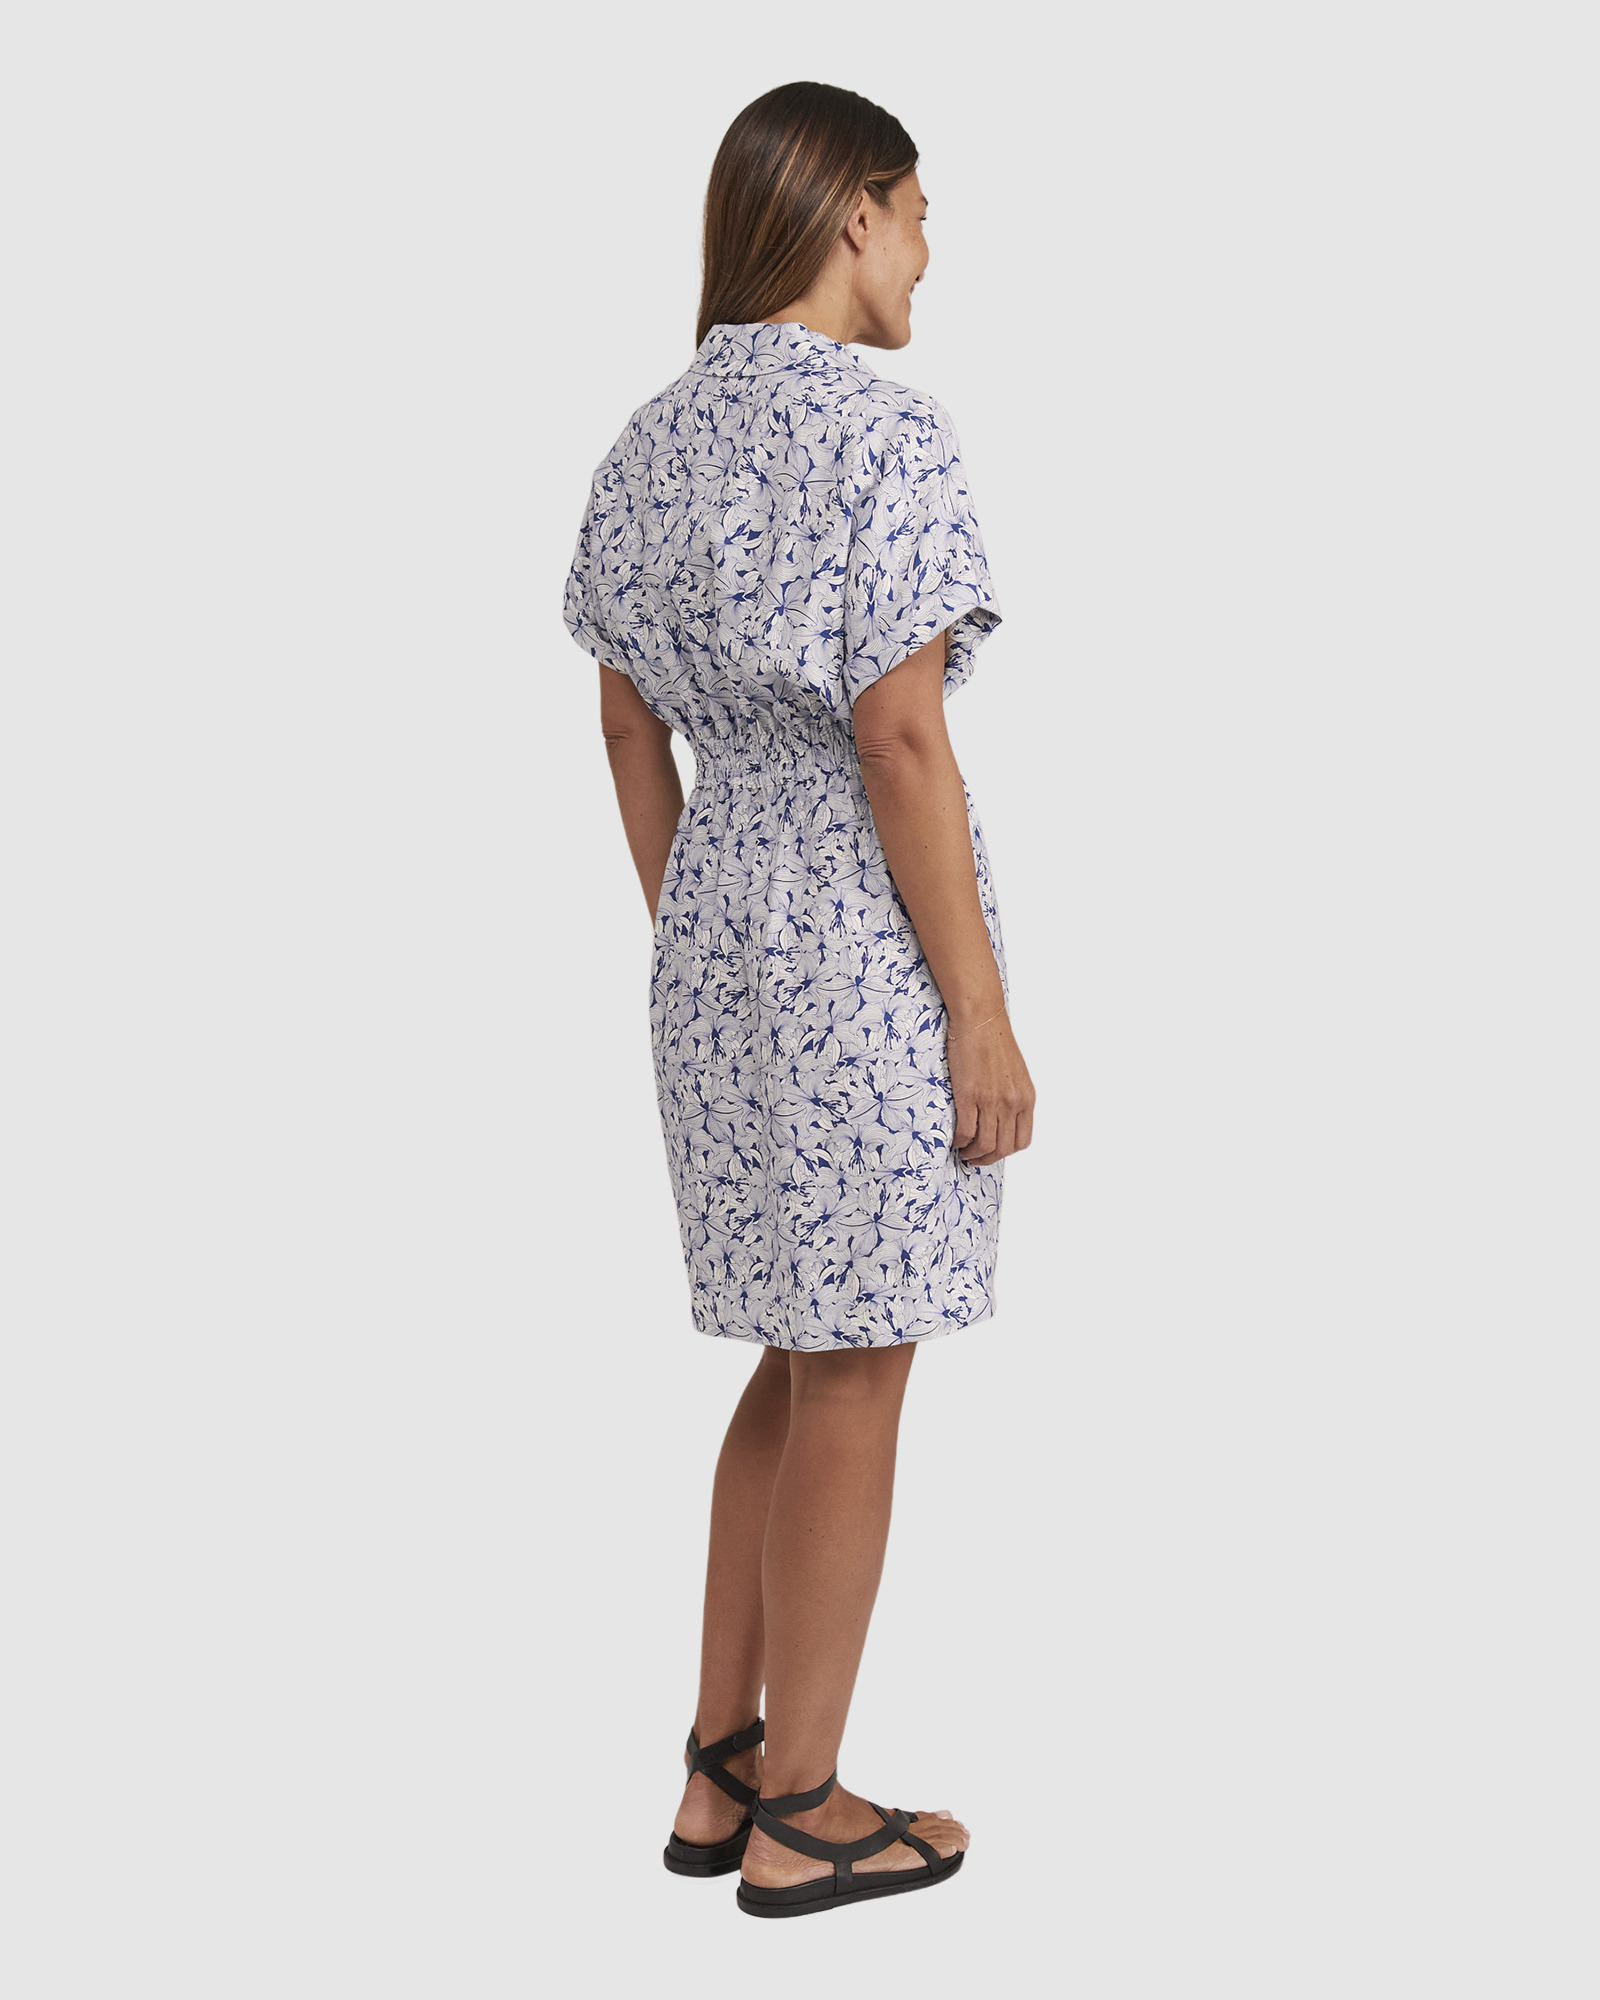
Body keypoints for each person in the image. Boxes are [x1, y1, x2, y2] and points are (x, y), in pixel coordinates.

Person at [562, 80, 1035, 1919]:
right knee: (859, 1360)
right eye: (917, 213)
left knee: (791, 1344)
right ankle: (806, 1808)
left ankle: (718, 1766)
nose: (928, 252)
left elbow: (627, 725)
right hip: (857, 935)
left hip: (715, 938)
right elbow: (899, 736)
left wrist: (693, 923)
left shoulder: (650, 438)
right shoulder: (885, 428)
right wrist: (976, 1010)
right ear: (851, 212)